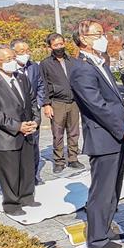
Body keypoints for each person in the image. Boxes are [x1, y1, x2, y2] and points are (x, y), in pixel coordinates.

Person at [69, 19, 124, 248]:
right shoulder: (81, 69)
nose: (103, 38)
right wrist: (123, 129)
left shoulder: (100, 63)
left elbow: (114, 98)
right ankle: (96, 238)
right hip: (103, 136)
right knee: (102, 190)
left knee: (113, 189)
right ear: (83, 39)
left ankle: (106, 229)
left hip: (115, 135)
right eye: (97, 34)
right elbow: (97, 106)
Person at [0, 45, 41, 216]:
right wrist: (17, 126)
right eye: (8, 60)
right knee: (10, 171)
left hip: (27, 131)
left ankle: (27, 196)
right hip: (6, 135)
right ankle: (12, 203)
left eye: (13, 58)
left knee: (27, 167)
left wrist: (35, 121)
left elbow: (32, 101)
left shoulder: (22, 78)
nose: (13, 62)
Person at [39, 33, 83, 174]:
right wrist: (46, 104)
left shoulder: (72, 61)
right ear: (50, 47)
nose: (59, 47)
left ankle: (73, 158)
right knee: (57, 134)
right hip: (56, 102)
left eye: (61, 44)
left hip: (74, 102)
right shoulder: (46, 64)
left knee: (74, 132)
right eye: (55, 45)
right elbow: (43, 84)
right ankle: (58, 161)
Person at [11, 39, 46, 184]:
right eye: (21, 52)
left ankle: (34, 175)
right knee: (17, 146)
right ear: (13, 53)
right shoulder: (5, 69)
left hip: (32, 113)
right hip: (15, 116)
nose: (25, 54)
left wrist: (38, 104)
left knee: (33, 145)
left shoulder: (34, 67)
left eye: (27, 51)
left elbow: (41, 86)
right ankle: (19, 177)